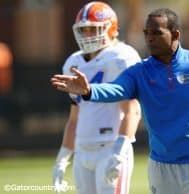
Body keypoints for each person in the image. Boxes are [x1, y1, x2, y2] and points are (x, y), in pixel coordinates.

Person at [51, 8, 189, 194]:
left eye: (156, 32)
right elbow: (116, 89)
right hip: (162, 167)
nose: (149, 38)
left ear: (175, 35)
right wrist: (89, 91)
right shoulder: (139, 72)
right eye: (146, 33)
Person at [51, 2, 141, 194]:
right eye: (84, 30)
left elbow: (132, 110)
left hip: (110, 147)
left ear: (111, 29)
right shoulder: (73, 62)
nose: (88, 35)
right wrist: (63, 157)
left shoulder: (121, 57)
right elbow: (74, 118)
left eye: (93, 29)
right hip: (83, 150)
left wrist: (119, 152)